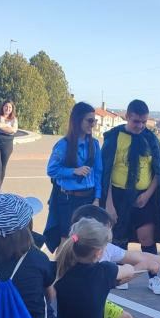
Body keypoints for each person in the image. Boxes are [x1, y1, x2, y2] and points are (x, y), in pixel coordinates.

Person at [100, 99, 160, 296]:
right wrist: (109, 204)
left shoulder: (151, 139)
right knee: (118, 237)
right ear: (127, 117)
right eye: (136, 121)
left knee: (146, 236)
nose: (140, 126)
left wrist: (147, 195)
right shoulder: (114, 138)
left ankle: (154, 277)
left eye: (143, 122)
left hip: (144, 196)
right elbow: (106, 172)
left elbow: (159, 171)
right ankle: (121, 275)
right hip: (118, 193)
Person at [44, 102, 101, 251]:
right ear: (77, 120)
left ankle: (79, 273)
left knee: (85, 239)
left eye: (94, 121)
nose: (93, 124)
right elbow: (51, 169)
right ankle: (60, 272)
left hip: (88, 199)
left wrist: (97, 198)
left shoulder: (94, 144)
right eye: (90, 120)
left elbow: (98, 173)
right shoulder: (63, 145)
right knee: (67, 239)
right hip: (68, 199)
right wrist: (73, 171)